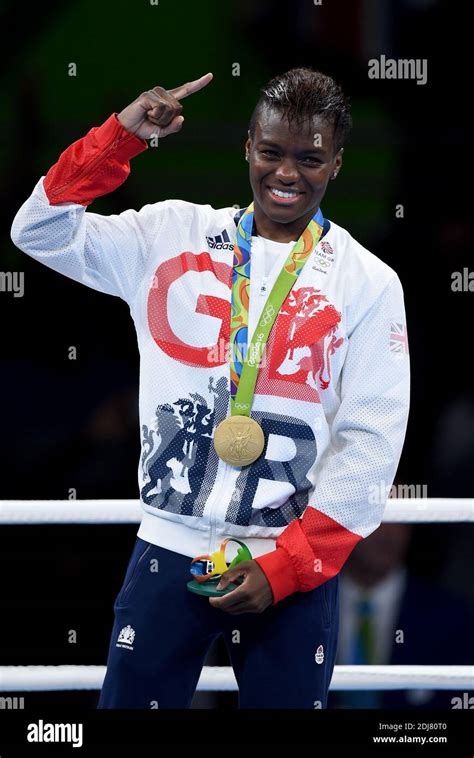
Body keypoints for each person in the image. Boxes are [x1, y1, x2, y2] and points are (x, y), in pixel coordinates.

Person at [10, 67, 410, 709]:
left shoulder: (369, 283)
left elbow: (370, 445)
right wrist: (120, 139)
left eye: (310, 158)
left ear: (336, 163)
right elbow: (38, 231)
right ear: (248, 145)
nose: (287, 174)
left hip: (291, 562)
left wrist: (286, 568)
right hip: (169, 543)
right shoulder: (169, 234)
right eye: (272, 152)